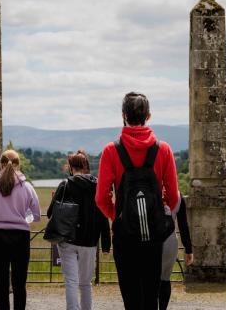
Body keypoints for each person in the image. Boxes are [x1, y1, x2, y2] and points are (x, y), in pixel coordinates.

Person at [96, 92, 179, 310]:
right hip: (153, 236)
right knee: (151, 298)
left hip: (125, 237)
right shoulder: (164, 150)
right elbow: (174, 196)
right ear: (148, 116)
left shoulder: (111, 151)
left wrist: (118, 216)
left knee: (131, 299)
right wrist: (158, 211)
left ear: (123, 115)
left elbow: (101, 197)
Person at [46, 150, 111, 310]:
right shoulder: (98, 185)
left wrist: (54, 199)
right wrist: (106, 244)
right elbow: (103, 216)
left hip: (67, 240)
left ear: (70, 167)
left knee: (71, 282)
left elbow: (49, 213)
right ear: (86, 165)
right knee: (85, 283)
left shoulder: (65, 185)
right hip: (89, 241)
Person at [0, 149, 41, 310]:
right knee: (19, 283)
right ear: (19, 165)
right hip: (21, 237)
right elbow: (37, 215)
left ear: (1, 165)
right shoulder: (27, 187)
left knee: (1, 283)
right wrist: (25, 218)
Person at [159, 194, 193, 310]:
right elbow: (183, 226)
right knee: (165, 278)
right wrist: (188, 249)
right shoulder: (178, 195)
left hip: (148, 240)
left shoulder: (146, 186)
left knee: (148, 280)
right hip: (170, 240)